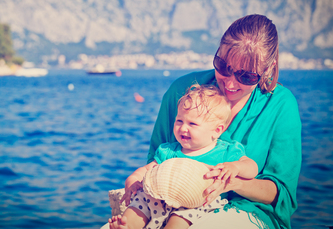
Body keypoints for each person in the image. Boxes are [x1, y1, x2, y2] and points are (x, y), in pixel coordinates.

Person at [147, 14, 301, 229]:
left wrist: (233, 182)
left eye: (246, 76)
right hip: (172, 205)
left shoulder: (281, 105)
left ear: (268, 68)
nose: (230, 83)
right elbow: (154, 161)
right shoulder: (181, 91)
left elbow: (279, 193)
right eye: (223, 66)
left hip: (250, 212)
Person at [108, 84, 259, 229]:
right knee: (142, 199)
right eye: (179, 121)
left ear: (217, 130)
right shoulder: (169, 151)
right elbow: (146, 169)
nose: (183, 128)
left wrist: (236, 167)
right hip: (162, 198)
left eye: (192, 124)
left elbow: (252, 168)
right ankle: (128, 224)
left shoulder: (226, 152)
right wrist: (132, 181)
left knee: (184, 215)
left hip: (197, 202)